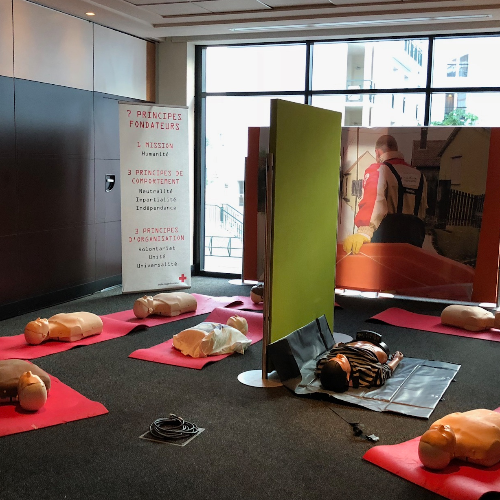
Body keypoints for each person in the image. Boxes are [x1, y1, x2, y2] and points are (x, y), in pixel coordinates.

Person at [343, 134, 427, 254]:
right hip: (413, 247)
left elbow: (373, 201)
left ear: (377, 153)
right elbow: (422, 212)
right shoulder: (420, 176)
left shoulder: (379, 170)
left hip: (385, 247)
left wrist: (364, 232)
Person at [315, 331, 404, 392]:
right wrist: (397, 359)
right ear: (348, 376)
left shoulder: (323, 366)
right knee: (383, 357)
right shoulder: (367, 373)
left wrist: (335, 348)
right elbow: (386, 370)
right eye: (341, 361)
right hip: (372, 348)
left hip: (348, 345)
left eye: (335, 358)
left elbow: (329, 354)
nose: (339, 356)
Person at [418, 409, 500, 469]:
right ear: (449, 454)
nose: (441, 427)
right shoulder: (485, 446)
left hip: (482, 413)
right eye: (442, 434)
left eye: (435, 430)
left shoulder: (438, 424)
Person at [24, 312, 103, 345]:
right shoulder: (69, 330)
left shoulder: (52, 319)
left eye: (35, 320)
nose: (38, 319)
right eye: (39, 324)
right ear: (43, 335)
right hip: (95, 319)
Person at [133, 292, 197, 319]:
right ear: (150, 310)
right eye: (145, 300)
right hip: (190, 299)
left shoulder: (156, 297)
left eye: (143, 297)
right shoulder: (169, 307)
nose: (145, 296)